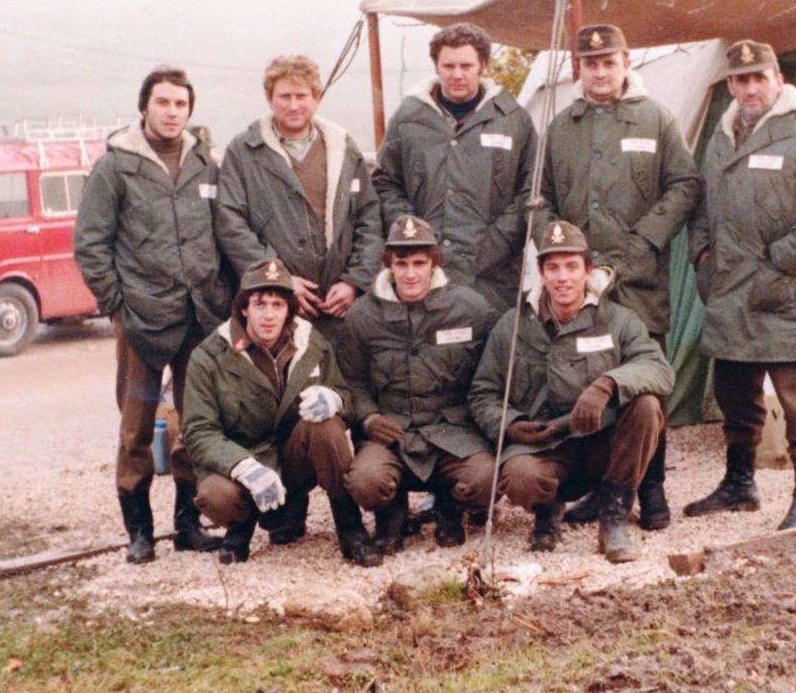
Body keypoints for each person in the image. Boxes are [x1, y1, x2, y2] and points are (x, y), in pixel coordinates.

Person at [539, 24, 702, 532]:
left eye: (609, 62)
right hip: (581, 286)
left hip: (638, 280)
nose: (601, 72)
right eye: (591, 64)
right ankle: (609, 487)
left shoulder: (655, 120)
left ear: (627, 63)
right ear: (578, 69)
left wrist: (638, 248)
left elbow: (684, 185)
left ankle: (651, 491)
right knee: (591, 381)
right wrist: (563, 253)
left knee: (646, 385)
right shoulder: (562, 127)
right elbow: (539, 199)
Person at [686, 39, 796, 530]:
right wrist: (702, 255)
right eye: (741, 80)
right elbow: (704, 204)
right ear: (731, 85)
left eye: (759, 77)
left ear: (778, 79)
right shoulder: (722, 136)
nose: (750, 87)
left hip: (786, 291)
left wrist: (778, 261)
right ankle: (740, 484)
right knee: (735, 393)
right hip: (729, 289)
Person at [74, 68, 231, 563]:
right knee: (137, 425)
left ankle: (188, 524)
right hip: (141, 321)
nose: (171, 112)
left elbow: (223, 233)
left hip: (198, 317)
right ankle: (139, 531)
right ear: (144, 107)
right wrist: (117, 303)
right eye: (162, 102)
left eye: (180, 104)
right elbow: (90, 244)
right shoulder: (116, 167)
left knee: (196, 421)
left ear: (189, 110)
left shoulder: (206, 164)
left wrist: (221, 295)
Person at [468, 221, 672, 563]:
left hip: (600, 440)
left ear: (588, 271)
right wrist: (510, 424)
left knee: (647, 407)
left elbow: (659, 370)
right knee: (519, 477)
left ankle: (613, 518)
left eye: (572, 267)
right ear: (542, 274)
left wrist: (607, 384)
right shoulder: (513, 325)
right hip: (545, 446)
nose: (563, 278)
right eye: (553, 268)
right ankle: (548, 512)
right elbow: (482, 393)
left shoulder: (618, 320)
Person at [181, 258, 381, 566]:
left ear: (289, 308)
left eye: (278, 304)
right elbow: (198, 431)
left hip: (293, 459)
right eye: (260, 304)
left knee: (325, 424)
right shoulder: (210, 355)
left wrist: (335, 399)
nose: (269, 315)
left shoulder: (311, 342)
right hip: (244, 459)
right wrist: (244, 467)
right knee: (215, 497)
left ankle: (350, 527)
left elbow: (347, 399)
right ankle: (240, 529)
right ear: (244, 308)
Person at [339, 215, 498, 553]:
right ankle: (391, 512)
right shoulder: (362, 316)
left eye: (419, 263)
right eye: (401, 263)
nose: (410, 273)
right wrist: (368, 418)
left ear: (434, 263)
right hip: (392, 432)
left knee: (489, 479)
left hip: (452, 433)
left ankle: (449, 507)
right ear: (388, 265)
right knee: (365, 482)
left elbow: (491, 373)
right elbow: (351, 379)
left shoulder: (471, 308)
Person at [215, 55, 382, 346]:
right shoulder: (243, 152)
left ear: (316, 98)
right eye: (284, 96)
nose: (294, 105)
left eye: (302, 96)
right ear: (269, 98)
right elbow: (230, 223)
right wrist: (278, 279)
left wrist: (355, 281)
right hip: (274, 307)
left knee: (337, 387)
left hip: (338, 308)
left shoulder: (343, 149)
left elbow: (369, 217)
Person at [372, 23, 535, 312]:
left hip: (492, 276)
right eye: (448, 65)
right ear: (436, 66)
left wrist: (494, 244)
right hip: (423, 274)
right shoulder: (409, 117)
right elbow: (385, 182)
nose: (457, 74)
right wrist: (414, 236)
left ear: (482, 65)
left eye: (466, 65)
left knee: (489, 351)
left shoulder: (513, 120)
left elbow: (530, 189)